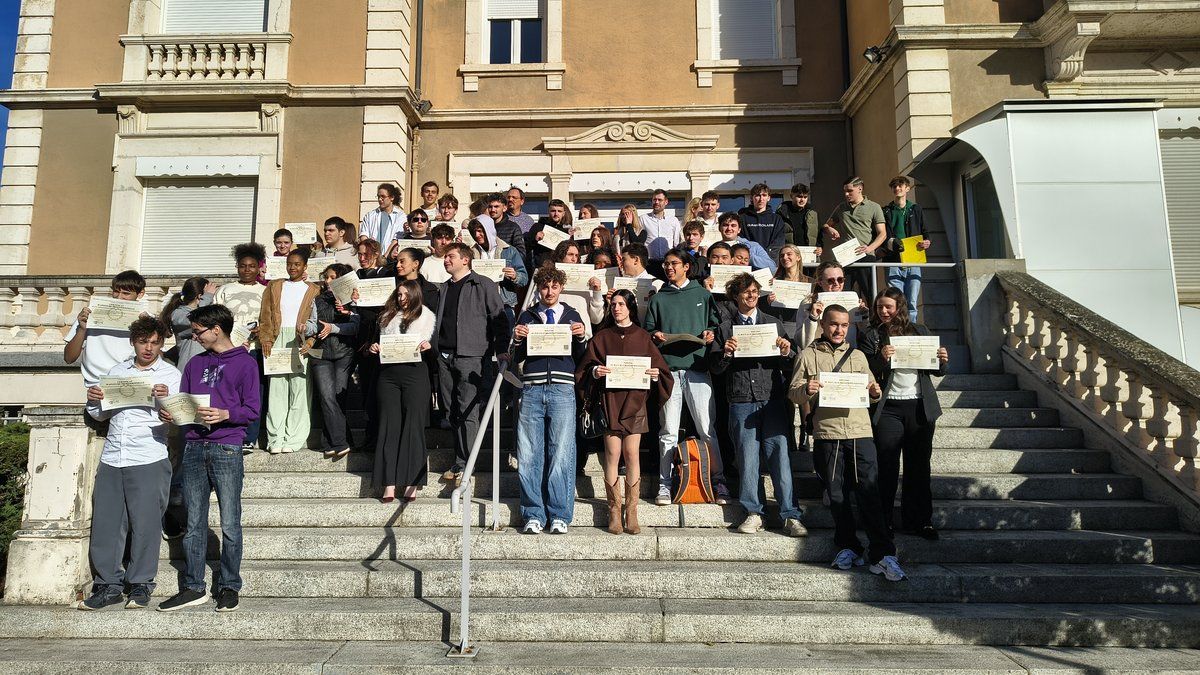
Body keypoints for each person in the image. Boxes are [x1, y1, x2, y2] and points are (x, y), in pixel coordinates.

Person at [156, 304, 260, 612]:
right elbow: (184, 404)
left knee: (230, 522)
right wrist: (172, 413)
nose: (195, 337)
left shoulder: (245, 363)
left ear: (217, 329)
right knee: (194, 521)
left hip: (227, 447)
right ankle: (193, 586)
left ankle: (229, 585)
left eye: (198, 331)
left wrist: (226, 414)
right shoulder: (194, 363)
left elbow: (253, 409)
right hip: (193, 446)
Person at [790, 304, 904, 582]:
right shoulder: (807, 355)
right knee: (837, 495)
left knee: (870, 492)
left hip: (860, 431)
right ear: (823, 325)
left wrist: (875, 391)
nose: (838, 330)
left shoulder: (858, 356)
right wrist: (806, 389)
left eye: (844, 325)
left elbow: (873, 389)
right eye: (833, 324)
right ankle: (848, 546)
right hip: (828, 434)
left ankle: (882, 554)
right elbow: (793, 393)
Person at [78, 316, 181, 611]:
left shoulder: (171, 375)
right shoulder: (117, 371)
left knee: (146, 524)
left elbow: (180, 418)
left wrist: (166, 403)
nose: (148, 348)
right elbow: (100, 414)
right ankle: (107, 585)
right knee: (106, 524)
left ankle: (141, 584)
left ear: (162, 344)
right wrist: (94, 399)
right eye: (143, 342)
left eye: (155, 343)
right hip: (113, 455)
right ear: (133, 342)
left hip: (149, 455)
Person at [711, 273, 806, 537]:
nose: (751, 295)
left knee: (780, 458)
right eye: (745, 292)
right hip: (741, 398)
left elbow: (792, 362)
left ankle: (791, 515)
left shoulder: (773, 323)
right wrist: (726, 353)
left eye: (754, 291)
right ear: (735, 296)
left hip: (772, 399)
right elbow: (716, 368)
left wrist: (786, 350)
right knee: (747, 459)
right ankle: (753, 512)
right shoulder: (725, 329)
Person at [577, 290, 672, 535]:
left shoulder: (643, 337)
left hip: (635, 402)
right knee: (612, 454)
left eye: (621, 304)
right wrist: (595, 372)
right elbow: (585, 369)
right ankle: (614, 511)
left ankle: (632, 510)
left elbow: (662, 371)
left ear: (630, 307)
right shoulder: (602, 336)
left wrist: (655, 375)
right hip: (610, 401)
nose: (616, 308)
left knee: (632, 454)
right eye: (613, 304)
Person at [643, 247, 730, 506]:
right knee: (668, 431)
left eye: (674, 264)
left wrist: (711, 333)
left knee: (707, 429)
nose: (669, 268)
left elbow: (714, 324)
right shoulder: (659, 298)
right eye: (666, 264)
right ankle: (664, 485)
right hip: (669, 371)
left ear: (686, 267)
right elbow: (649, 330)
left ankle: (718, 481)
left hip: (698, 368)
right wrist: (655, 335)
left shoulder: (702, 294)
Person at [860, 287, 948, 540]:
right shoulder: (871, 335)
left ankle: (920, 521)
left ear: (899, 307)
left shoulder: (920, 331)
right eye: (879, 307)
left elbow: (936, 371)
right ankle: (884, 521)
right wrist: (881, 358)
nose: (883, 311)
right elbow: (865, 369)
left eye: (888, 306)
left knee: (918, 467)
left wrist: (942, 360)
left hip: (919, 406)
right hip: (888, 408)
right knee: (886, 466)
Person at [511, 267, 588, 535]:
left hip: (563, 388)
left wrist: (581, 337)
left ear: (561, 288)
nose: (549, 292)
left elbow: (581, 356)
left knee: (561, 452)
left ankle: (559, 514)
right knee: (529, 452)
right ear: (538, 289)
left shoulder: (572, 315)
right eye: (545, 287)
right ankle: (533, 513)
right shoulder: (527, 315)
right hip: (532, 388)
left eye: (554, 287)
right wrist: (517, 340)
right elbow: (517, 357)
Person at [435, 242, 509, 478]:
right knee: (452, 411)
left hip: (472, 355)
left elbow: (499, 318)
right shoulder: (444, 287)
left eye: (451, 256)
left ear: (465, 260)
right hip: (444, 356)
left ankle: (466, 463)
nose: (446, 260)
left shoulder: (483, 284)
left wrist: (501, 349)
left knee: (468, 410)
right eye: (445, 257)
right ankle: (460, 460)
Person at [369, 279, 435, 502]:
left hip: (415, 375)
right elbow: (375, 343)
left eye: (406, 294)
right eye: (399, 294)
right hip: (388, 376)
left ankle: (411, 483)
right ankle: (388, 484)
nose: (402, 298)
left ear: (415, 295)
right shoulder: (387, 317)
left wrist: (429, 347)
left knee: (413, 427)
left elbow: (437, 352)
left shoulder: (427, 317)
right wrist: (375, 346)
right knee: (388, 426)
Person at [257, 249, 319, 455]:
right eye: (289, 263)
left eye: (297, 264)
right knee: (277, 389)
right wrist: (266, 338)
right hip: (277, 339)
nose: (292, 267)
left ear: (305, 266)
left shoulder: (313, 289)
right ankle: (275, 437)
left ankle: (294, 437)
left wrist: (310, 340)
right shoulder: (275, 286)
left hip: (300, 340)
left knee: (300, 389)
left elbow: (316, 319)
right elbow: (265, 315)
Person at [215, 243, 269, 450]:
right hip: (228, 350)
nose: (247, 270)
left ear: (258, 268)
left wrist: (262, 329)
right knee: (228, 391)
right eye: (243, 266)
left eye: (252, 266)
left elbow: (272, 318)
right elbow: (216, 318)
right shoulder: (225, 290)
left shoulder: (266, 291)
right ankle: (229, 432)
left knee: (253, 393)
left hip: (255, 350)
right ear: (237, 267)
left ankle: (249, 437)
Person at [64, 270, 146, 392]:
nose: (119, 297)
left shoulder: (146, 319)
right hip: (97, 388)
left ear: (140, 294)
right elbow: (68, 358)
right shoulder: (90, 314)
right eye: (116, 291)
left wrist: (146, 328)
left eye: (126, 293)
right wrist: (82, 329)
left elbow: (157, 358)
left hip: (131, 385)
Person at [311, 263, 361, 460]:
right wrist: (307, 328)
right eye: (326, 277)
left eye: (332, 277)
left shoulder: (352, 300)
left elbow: (355, 327)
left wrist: (336, 323)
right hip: (320, 353)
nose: (328, 281)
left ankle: (328, 442)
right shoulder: (317, 299)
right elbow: (312, 324)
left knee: (338, 397)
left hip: (344, 352)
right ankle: (341, 442)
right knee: (326, 397)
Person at [821, 176, 886, 298]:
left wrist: (870, 248)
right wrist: (829, 229)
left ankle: (872, 310)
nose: (846, 194)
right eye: (845, 191)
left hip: (866, 255)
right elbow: (825, 226)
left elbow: (882, 234)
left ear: (860, 189)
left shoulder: (874, 207)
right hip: (846, 257)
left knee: (870, 294)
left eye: (850, 191)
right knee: (841, 293)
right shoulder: (841, 208)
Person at [881, 175, 931, 323]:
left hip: (913, 259)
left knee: (912, 302)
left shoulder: (916, 209)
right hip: (893, 260)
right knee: (895, 301)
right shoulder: (886, 211)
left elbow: (925, 232)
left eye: (900, 185)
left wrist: (927, 242)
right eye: (894, 186)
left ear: (907, 188)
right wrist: (891, 243)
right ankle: (897, 329)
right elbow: (883, 235)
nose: (897, 188)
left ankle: (911, 330)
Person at [467, 218, 528, 325]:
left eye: (480, 231)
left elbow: (524, 279)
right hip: (478, 304)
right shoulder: (470, 253)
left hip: (504, 304)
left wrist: (515, 276)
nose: (477, 235)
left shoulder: (509, 251)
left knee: (505, 334)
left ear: (489, 230)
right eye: (474, 232)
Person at [796, 261, 868, 348]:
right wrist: (812, 318)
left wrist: (863, 316)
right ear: (820, 282)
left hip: (847, 351)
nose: (836, 283)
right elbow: (801, 342)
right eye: (830, 280)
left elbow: (864, 334)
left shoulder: (852, 300)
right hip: (819, 351)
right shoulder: (807, 303)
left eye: (840, 279)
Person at [550, 240, 605, 337]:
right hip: (555, 336)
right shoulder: (547, 279)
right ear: (560, 256)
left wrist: (597, 292)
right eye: (570, 254)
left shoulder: (587, 279)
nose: (574, 259)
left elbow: (596, 319)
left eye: (576, 255)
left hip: (581, 337)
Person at [161, 277, 215, 374]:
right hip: (190, 370)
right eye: (211, 296)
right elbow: (197, 319)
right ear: (200, 297)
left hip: (208, 369)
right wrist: (207, 297)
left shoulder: (208, 313)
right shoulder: (178, 314)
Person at [613, 242, 662, 322]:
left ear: (636, 260)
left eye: (624, 259)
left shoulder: (657, 284)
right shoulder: (620, 285)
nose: (621, 264)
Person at [738, 183, 788, 258]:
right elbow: (741, 240)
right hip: (749, 259)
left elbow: (778, 242)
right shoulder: (742, 218)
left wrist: (765, 258)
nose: (761, 199)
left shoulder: (776, 219)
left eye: (764, 195)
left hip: (770, 260)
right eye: (758, 195)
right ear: (751, 198)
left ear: (768, 198)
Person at [526, 198, 574, 269]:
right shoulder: (538, 227)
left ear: (563, 213)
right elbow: (526, 247)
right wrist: (535, 239)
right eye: (553, 211)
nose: (556, 214)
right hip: (541, 269)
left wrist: (571, 238)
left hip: (560, 269)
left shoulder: (566, 231)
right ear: (548, 211)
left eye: (559, 211)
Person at [639, 189, 681, 264]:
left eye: (660, 200)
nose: (656, 202)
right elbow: (639, 242)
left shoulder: (673, 220)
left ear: (666, 202)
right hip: (649, 262)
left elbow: (676, 243)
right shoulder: (643, 219)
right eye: (654, 200)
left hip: (667, 263)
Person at [485, 192, 527, 259]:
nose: (492, 210)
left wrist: (507, 262)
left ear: (504, 208)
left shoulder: (513, 228)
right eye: (490, 207)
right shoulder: (483, 227)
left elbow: (521, 254)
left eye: (496, 206)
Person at [778, 183, 819, 248]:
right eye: (799, 197)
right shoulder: (782, 213)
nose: (802, 200)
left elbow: (818, 233)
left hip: (809, 252)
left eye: (805, 197)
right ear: (791, 196)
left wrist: (819, 246)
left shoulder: (813, 213)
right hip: (789, 252)